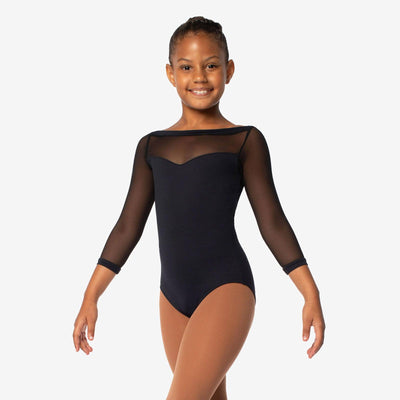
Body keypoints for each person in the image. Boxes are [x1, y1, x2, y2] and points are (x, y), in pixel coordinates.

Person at [73, 16, 325, 400]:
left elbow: (272, 222)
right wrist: (90, 296)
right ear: (170, 74)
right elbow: (127, 227)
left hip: (226, 287)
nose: (200, 77)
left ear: (229, 69)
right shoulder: (151, 146)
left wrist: (310, 293)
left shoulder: (244, 141)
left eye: (210, 65)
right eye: (187, 67)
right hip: (172, 296)